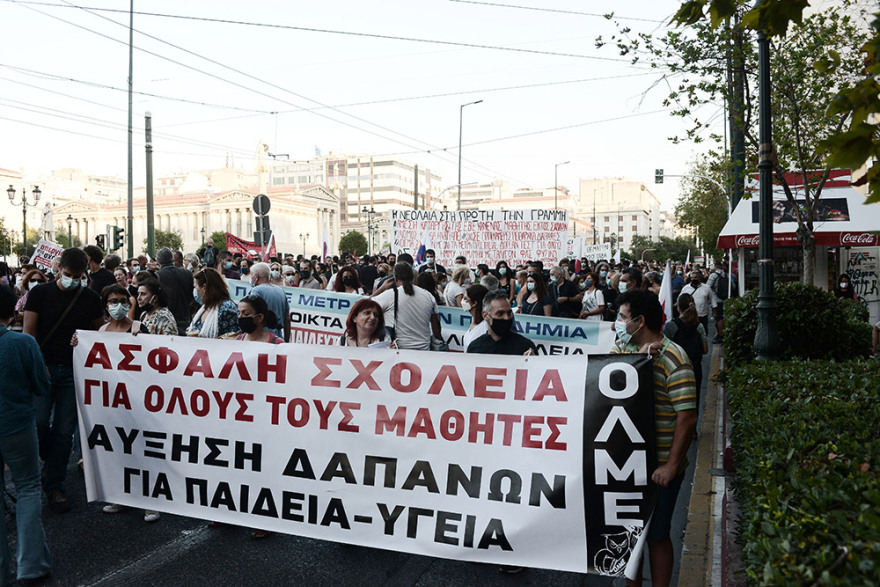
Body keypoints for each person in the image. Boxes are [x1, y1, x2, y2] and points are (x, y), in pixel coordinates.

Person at [611, 289, 697, 587]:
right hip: (626, 466)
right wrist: (640, 362)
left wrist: (671, 466)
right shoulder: (622, 351)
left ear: (640, 320)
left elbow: (686, 416)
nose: (617, 323)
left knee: (658, 535)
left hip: (659, 467)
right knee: (631, 539)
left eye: (622, 317)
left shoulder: (674, 357)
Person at [23, 248, 104, 512]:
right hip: (43, 368)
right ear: (58, 269)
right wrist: (37, 367)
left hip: (73, 372)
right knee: (37, 423)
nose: (72, 280)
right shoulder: (39, 294)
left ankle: (55, 486)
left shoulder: (90, 298)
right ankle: (52, 461)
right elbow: (29, 334)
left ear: (85, 274)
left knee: (63, 430)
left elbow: (98, 334)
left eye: (78, 276)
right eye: (68, 275)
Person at [0, 285, 53, 583]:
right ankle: (31, 564)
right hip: (16, 424)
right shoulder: (23, 344)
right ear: (13, 311)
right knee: (28, 487)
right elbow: (42, 386)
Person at [373, 262, 442, 351]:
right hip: (424, 351)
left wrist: (382, 288)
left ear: (395, 277)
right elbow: (436, 328)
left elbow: (363, 306)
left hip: (400, 352)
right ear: (413, 277)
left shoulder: (391, 295)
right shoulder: (428, 295)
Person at [662, 293, 708, 403]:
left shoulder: (671, 326)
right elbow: (705, 350)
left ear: (678, 306)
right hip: (695, 369)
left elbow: (664, 349)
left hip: (674, 369)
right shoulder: (699, 326)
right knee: (694, 402)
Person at [466, 289, 536, 356]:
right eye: (500, 314)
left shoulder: (525, 347)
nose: (506, 318)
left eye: (509, 313)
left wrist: (531, 363)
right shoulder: (475, 348)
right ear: (485, 316)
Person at [247, 263, 291, 341]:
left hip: (262, 337)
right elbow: (287, 318)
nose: (250, 277)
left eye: (251, 275)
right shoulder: (280, 290)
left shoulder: (256, 291)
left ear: (256, 276)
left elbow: (252, 315)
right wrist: (286, 340)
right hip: (278, 337)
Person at [190, 269, 239, 338]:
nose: (194, 290)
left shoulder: (227, 308)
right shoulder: (204, 307)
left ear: (204, 287)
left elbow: (231, 338)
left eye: (195, 287)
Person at [156, 247, 194, 335]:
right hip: (186, 318)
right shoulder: (187, 273)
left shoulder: (158, 276)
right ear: (172, 259)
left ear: (158, 262)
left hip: (168, 321)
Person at [679, 270, 717, 334]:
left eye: (695, 277)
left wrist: (714, 313)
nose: (694, 279)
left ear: (700, 278)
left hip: (702, 316)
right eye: (692, 278)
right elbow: (680, 300)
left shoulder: (706, 288)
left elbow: (713, 301)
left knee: (703, 333)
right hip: (689, 316)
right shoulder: (686, 288)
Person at [461, 284, 489, 352]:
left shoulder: (485, 326)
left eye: (465, 299)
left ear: (474, 303)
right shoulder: (474, 319)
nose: (462, 301)